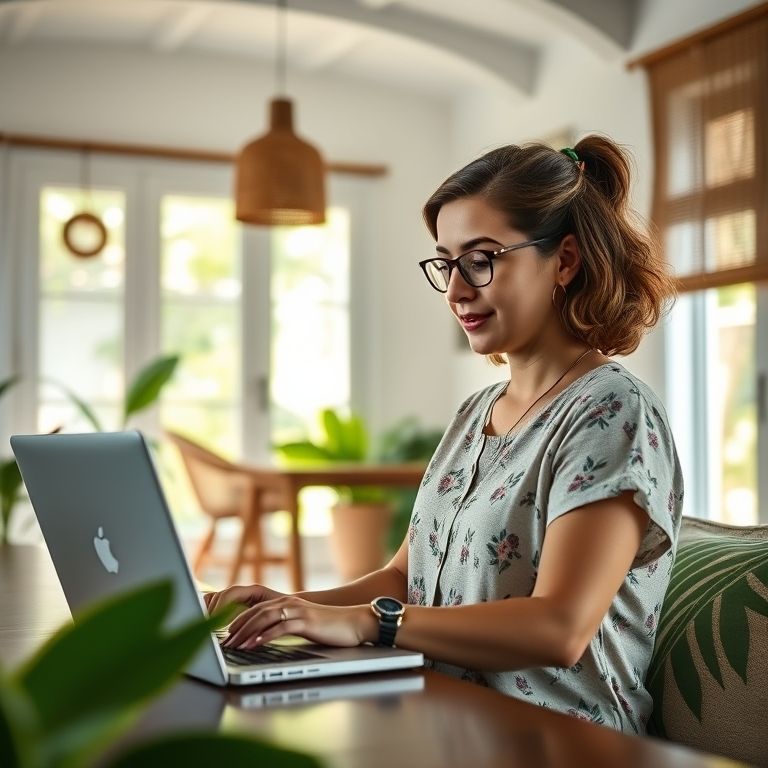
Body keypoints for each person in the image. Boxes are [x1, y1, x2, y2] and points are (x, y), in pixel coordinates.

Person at [206, 134, 684, 735]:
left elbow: (560, 628)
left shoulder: (612, 413)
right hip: (441, 721)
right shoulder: (475, 413)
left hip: (558, 742)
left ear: (564, 260)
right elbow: (403, 581)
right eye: (447, 263)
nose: (457, 291)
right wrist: (287, 607)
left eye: (482, 259)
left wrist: (370, 623)